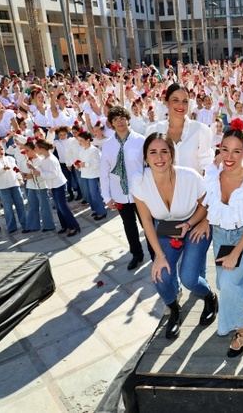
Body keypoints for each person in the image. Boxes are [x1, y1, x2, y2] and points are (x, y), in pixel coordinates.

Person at [132, 133, 218, 339]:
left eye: (164, 151)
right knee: (160, 275)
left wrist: (196, 223)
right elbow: (147, 223)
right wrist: (158, 256)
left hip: (195, 223)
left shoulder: (189, 176)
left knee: (189, 278)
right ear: (145, 157)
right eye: (153, 152)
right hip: (166, 228)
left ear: (172, 155)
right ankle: (174, 310)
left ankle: (209, 297)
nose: (159, 157)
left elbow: (207, 203)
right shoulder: (139, 181)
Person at [203, 118, 243, 357]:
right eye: (224, 149)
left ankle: (242, 328)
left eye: (236, 151)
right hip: (220, 235)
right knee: (223, 283)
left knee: (228, 284)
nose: (229, 156)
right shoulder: (213, 173)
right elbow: (209, 204)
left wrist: (237, 252)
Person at [100, 106, 150, 270]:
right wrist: (107, 197)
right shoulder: (107, 145)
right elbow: (104, 172)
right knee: (129, 226)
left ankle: (154, 253)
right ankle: (136, 254)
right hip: (120, 194)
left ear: (128, 119)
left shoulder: (141, 140)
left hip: (140, 193)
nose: (120, 122)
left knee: (147, 224)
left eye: (122, 118)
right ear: (111, 124)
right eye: (115, 119)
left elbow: (148, 166)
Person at [146, 84, 214, 173]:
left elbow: (207, 167)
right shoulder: (153, 131)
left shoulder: (201, 131)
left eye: (185, 101)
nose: (181, 105)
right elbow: (148, 165)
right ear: (166, 102)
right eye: (175, 100)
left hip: (193, 186)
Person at [28, 139, 80, 236]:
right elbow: (42, 169)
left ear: (41, 148)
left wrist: (40, 173)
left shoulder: (51, 159)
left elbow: (54, 174)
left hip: (59, 185)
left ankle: (74, 227)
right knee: (59, 208)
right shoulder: (44, 158)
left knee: (63, 207)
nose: (35, 149)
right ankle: (65, 226)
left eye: (36, 147)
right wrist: (33, 168)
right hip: (53, 185)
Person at [0, 137, 27, 233]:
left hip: (14, 184)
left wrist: (20, 179)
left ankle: (25, 223)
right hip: (3, 187)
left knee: (20, 204)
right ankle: (11, 226)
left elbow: (16, 170)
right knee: (8, 207)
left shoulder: (10, 158)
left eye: (1, 148)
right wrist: (3, 169)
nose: (1, 151)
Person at [20, 138, 56, 232]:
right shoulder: (26, 160)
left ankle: (48, 225)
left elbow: (42, 173)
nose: (26, 153)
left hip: (41, 185)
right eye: (25, 151)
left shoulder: (41, 160)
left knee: (44, 206)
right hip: (31, 186)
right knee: (32, 206)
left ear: (34, 150)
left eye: (27, 150)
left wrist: (30, 175)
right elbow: (23, 171)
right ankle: (32, 226)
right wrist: (23, 175)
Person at [75, 131, 107, 220]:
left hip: (93, 175)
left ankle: (102, 212)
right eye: (79, 140)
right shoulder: (82, 150)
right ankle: (95, 210)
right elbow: (81, 161)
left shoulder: (94, 150)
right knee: (88, 194)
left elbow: (97, 163)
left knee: (94, 194)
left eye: (81, 140)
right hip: (84, 174)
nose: (79, 142)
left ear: (88, 140)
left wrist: (85, 164)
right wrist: (78, 166)